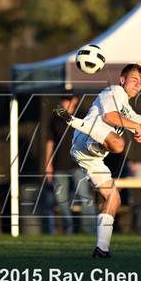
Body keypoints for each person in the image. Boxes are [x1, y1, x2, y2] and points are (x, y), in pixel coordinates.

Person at [54, 63, 141, 258]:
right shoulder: (115, 91)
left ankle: (101, 249)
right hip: (86, 140)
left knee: (114, 198)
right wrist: (135, 128)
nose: (138, 85)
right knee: (119, 145)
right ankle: (75, 122)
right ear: (122, 80)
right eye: (134, 79)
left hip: (91, 157)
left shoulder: (127, 108)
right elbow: (109, 116)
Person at [45, 96, 96, 234]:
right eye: (63, 100)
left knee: (85, 196)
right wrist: (48, 164)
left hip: (78, 164)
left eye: (68, 99)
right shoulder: (56, 118)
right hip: (59, 165)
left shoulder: (82, 116)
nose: (64, 102)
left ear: (75, 100)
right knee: (61, 200)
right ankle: (69, 227)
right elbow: (49, 142)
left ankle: (91, 230)